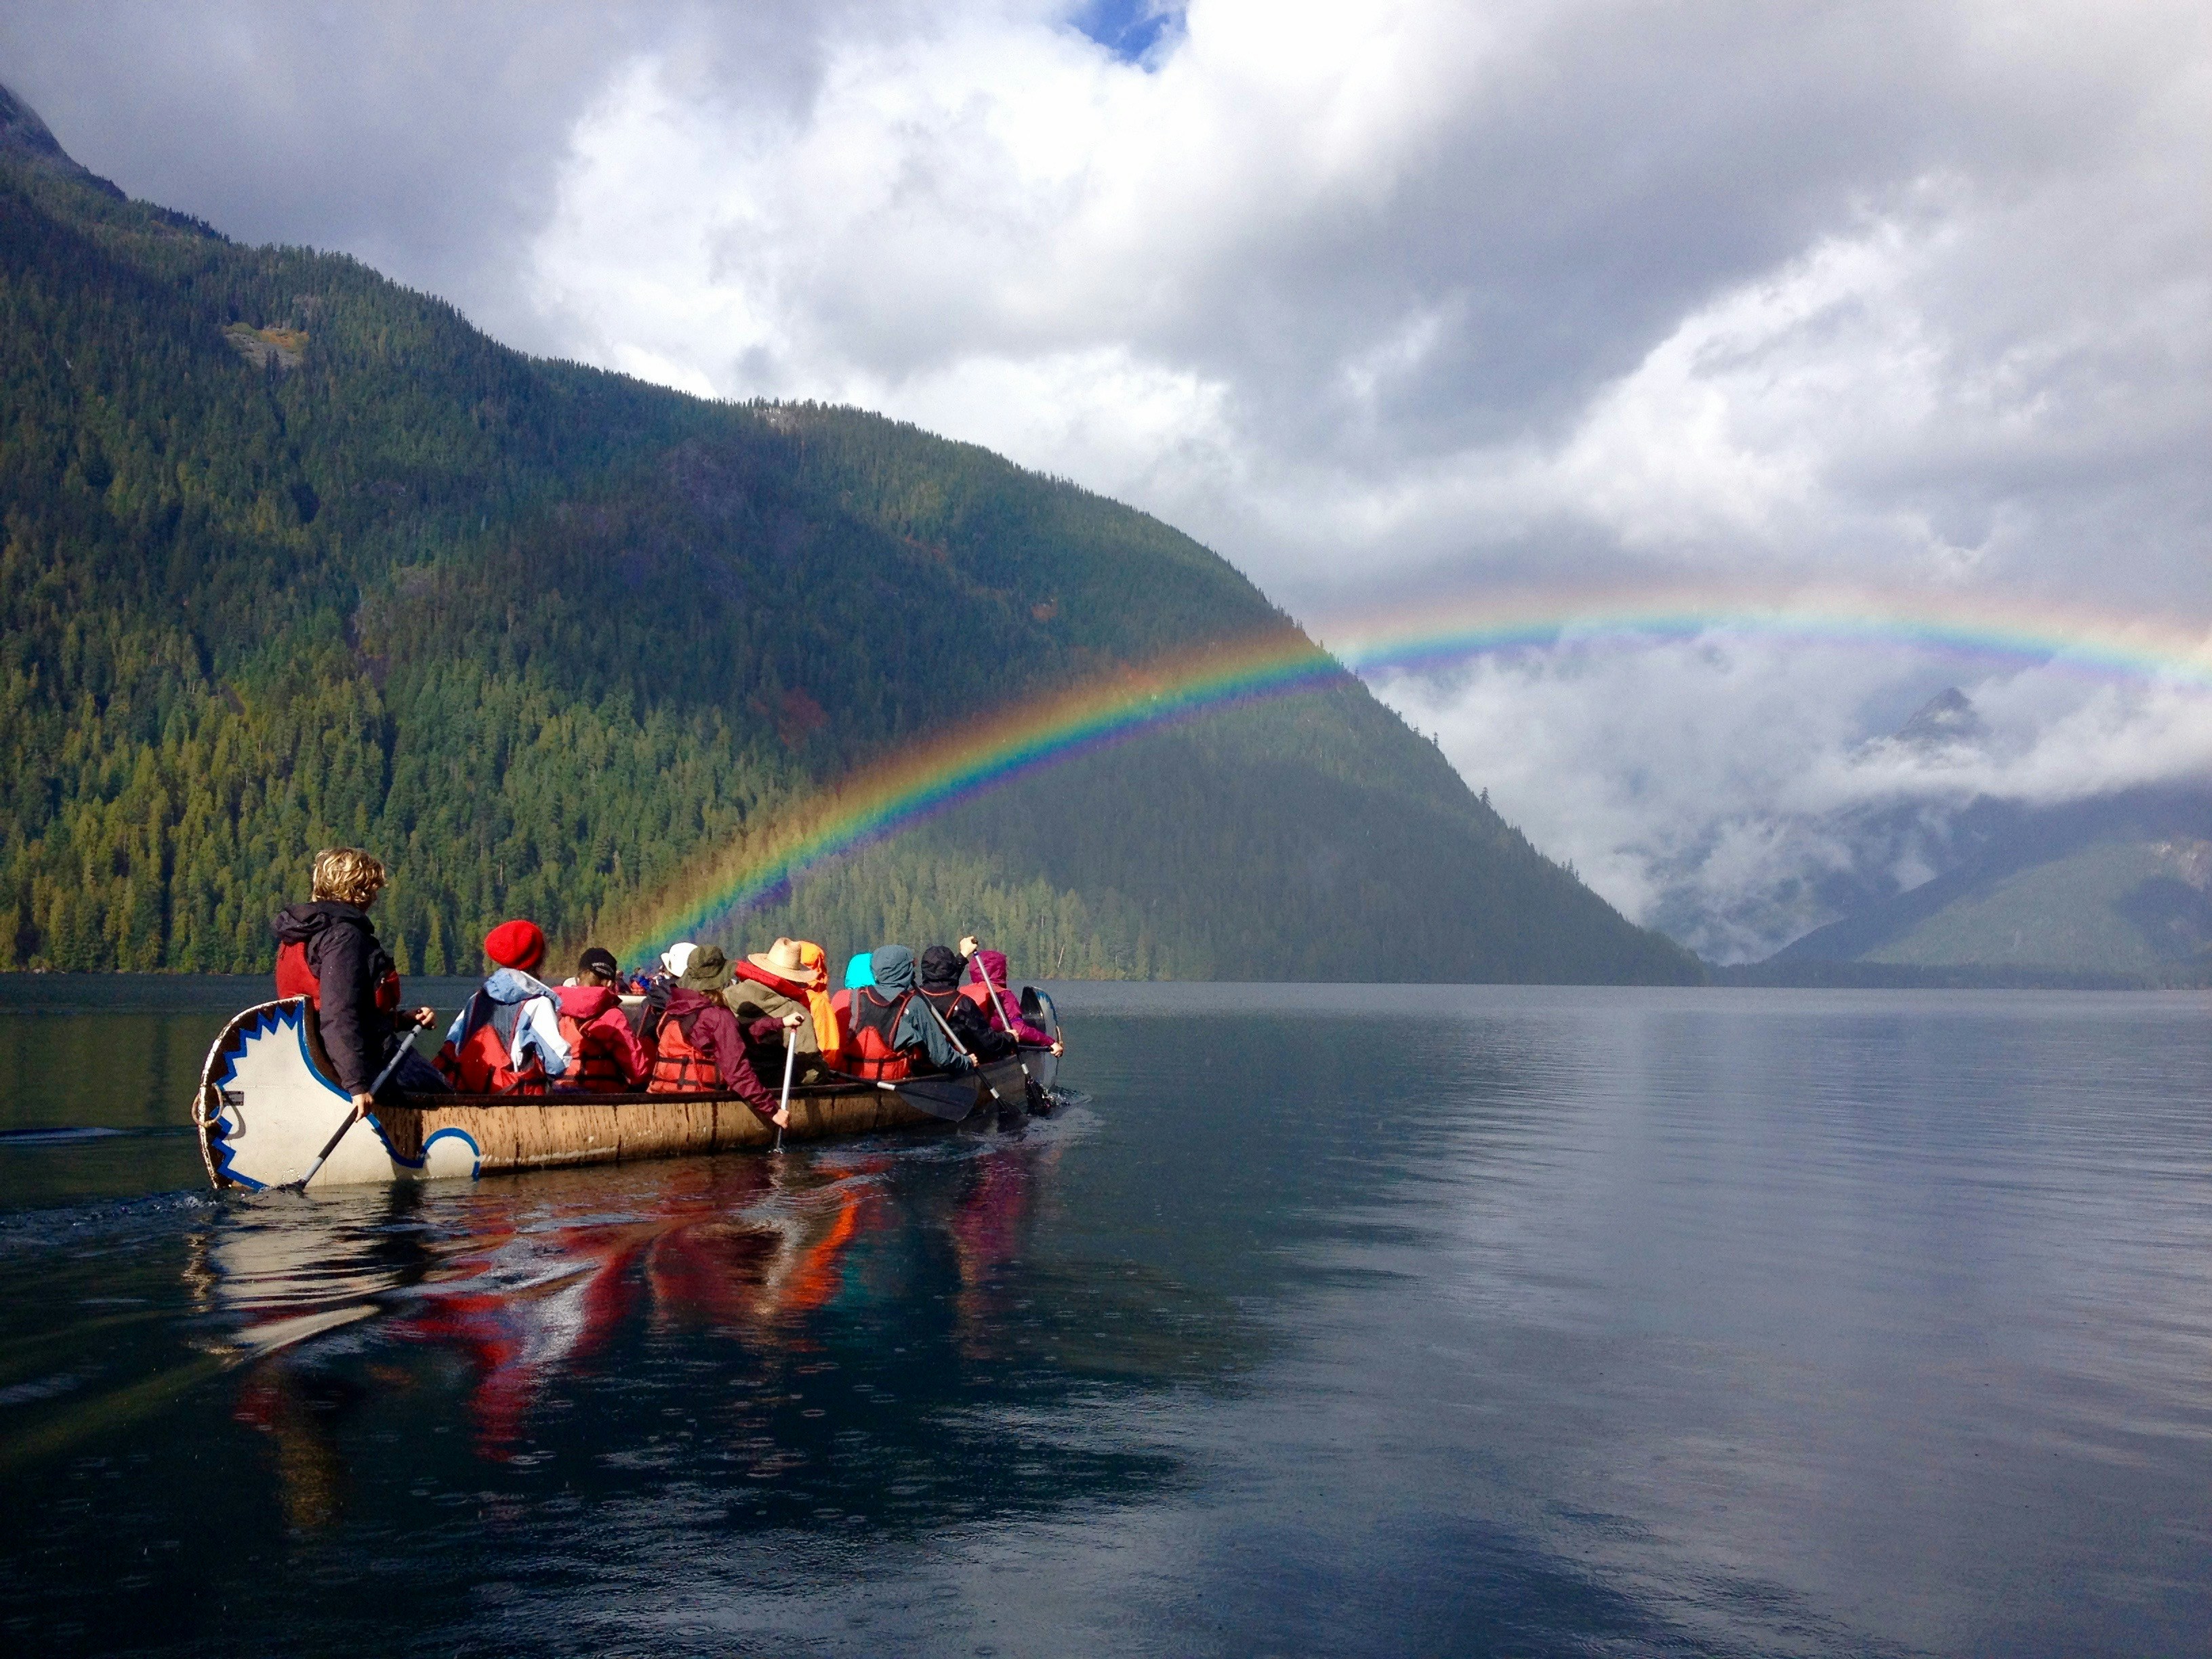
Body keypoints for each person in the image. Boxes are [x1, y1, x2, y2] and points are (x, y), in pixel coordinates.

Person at [272, 846, 443, 1117]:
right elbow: (339, 1013)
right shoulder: (345, 936)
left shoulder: (301, 931)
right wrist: (356, 1085)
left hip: (318, 1055)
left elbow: (349, 1009)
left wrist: (403, 1020)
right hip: (361, 1063)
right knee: (443, 1089)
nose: (375, 897)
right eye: (372, 889)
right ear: (359, 891)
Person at [648, 946, 802, 1119]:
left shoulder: (674, 1009)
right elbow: (738, 1072)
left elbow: (734, 1035)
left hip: (660, 1097)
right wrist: (773, 1111)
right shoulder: (718, 1017)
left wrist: (779, 1023)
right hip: (698, 1104)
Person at [435, 920, 571, 1093]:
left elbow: (454, 1046)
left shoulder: (475, 1000)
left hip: (471, 1096)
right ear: (538, 958)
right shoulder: (538, 1003)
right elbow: (557, 1064)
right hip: (518, 1102)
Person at [840, 945, 970, 1080]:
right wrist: (967, 1062)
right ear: (904, 970)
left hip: (854, 1076)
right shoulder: (913, 1003)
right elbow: (942, 1057)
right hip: (893, 1081)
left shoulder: (856, 996)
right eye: (911, 966)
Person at [726, 937, 842, 1077]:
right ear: (794, 976)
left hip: (732, 1081)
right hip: (774, 1088)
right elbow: (811, 1073)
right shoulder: (794, 1011)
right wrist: (822, 1072)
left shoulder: (726, 996)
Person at [554, 947, 651, 1091]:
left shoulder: (556, 1007)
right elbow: (637, 1068)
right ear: (610, 983)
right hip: (601, 1096)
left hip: (561, 1090)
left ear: (578, 977)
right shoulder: (613, 1015)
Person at [916, 944, 1014, 1063]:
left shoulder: (913, 996)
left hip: (919, 1064)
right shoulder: (963, 1004)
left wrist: (963, 955)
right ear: (951, 968)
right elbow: (988, 1041)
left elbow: (943, 981)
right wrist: (1010, 1038)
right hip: (952, 1065)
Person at [961, 946, 1063, 1054]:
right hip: (994, 1052)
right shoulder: (1003, 995)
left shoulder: (963, 993)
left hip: (969, 1051)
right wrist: (1050, 1042)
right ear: (999, 971)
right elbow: (1019, 1029)